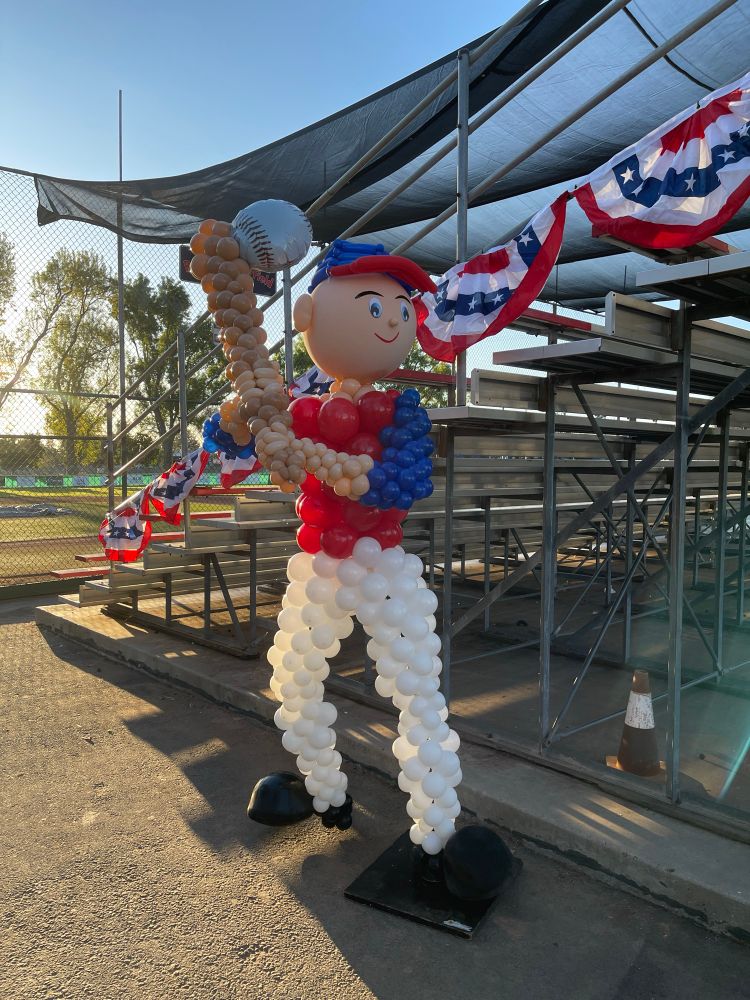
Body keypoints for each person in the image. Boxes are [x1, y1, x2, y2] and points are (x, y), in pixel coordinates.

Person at [258, 241, 464, 854]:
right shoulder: (304, 410)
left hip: (383, 566)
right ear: (308, 317)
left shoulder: (401, 410)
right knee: (294, 682)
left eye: (399, 309)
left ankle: (438, 835)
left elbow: (409, 480)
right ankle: (325, 792)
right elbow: (257, 449)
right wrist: (239, 422)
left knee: (417, 694)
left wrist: (347, 472)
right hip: (321, 563)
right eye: (375, 307)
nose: (393, 321)